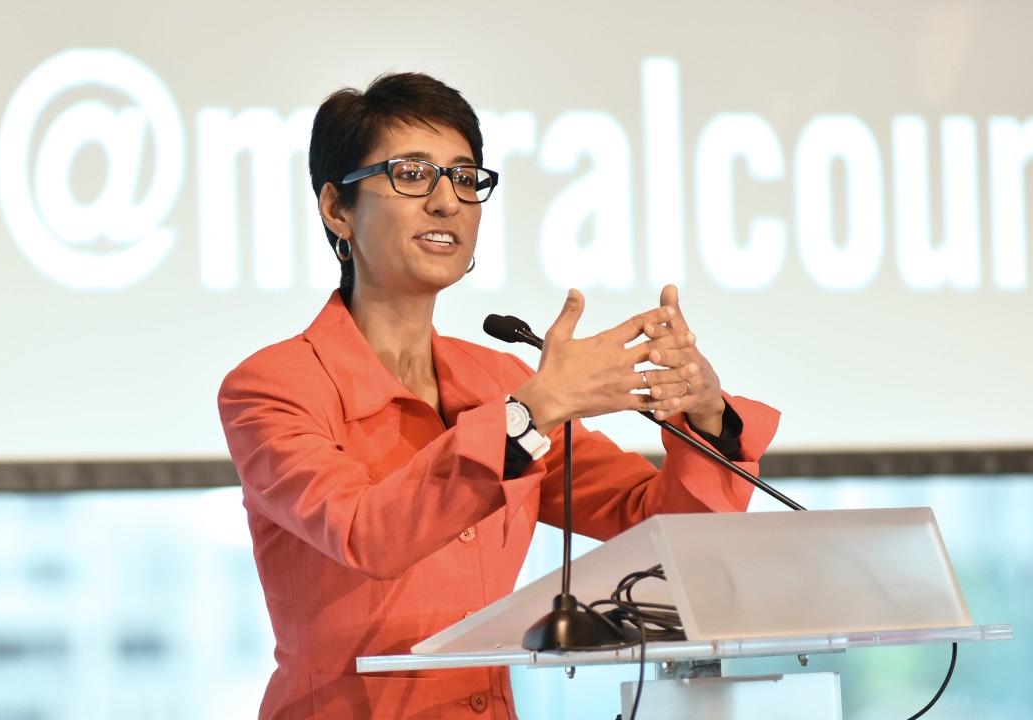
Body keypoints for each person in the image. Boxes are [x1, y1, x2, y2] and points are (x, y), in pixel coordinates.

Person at [218, 72, 779, 720]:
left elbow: (654, 525)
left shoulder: (494, 381)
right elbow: (365, 533)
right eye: (410, 174)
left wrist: (707, 415)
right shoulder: (274, 387)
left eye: (464, 177)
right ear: (336, 208)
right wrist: (534, 409)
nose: (446, 201)